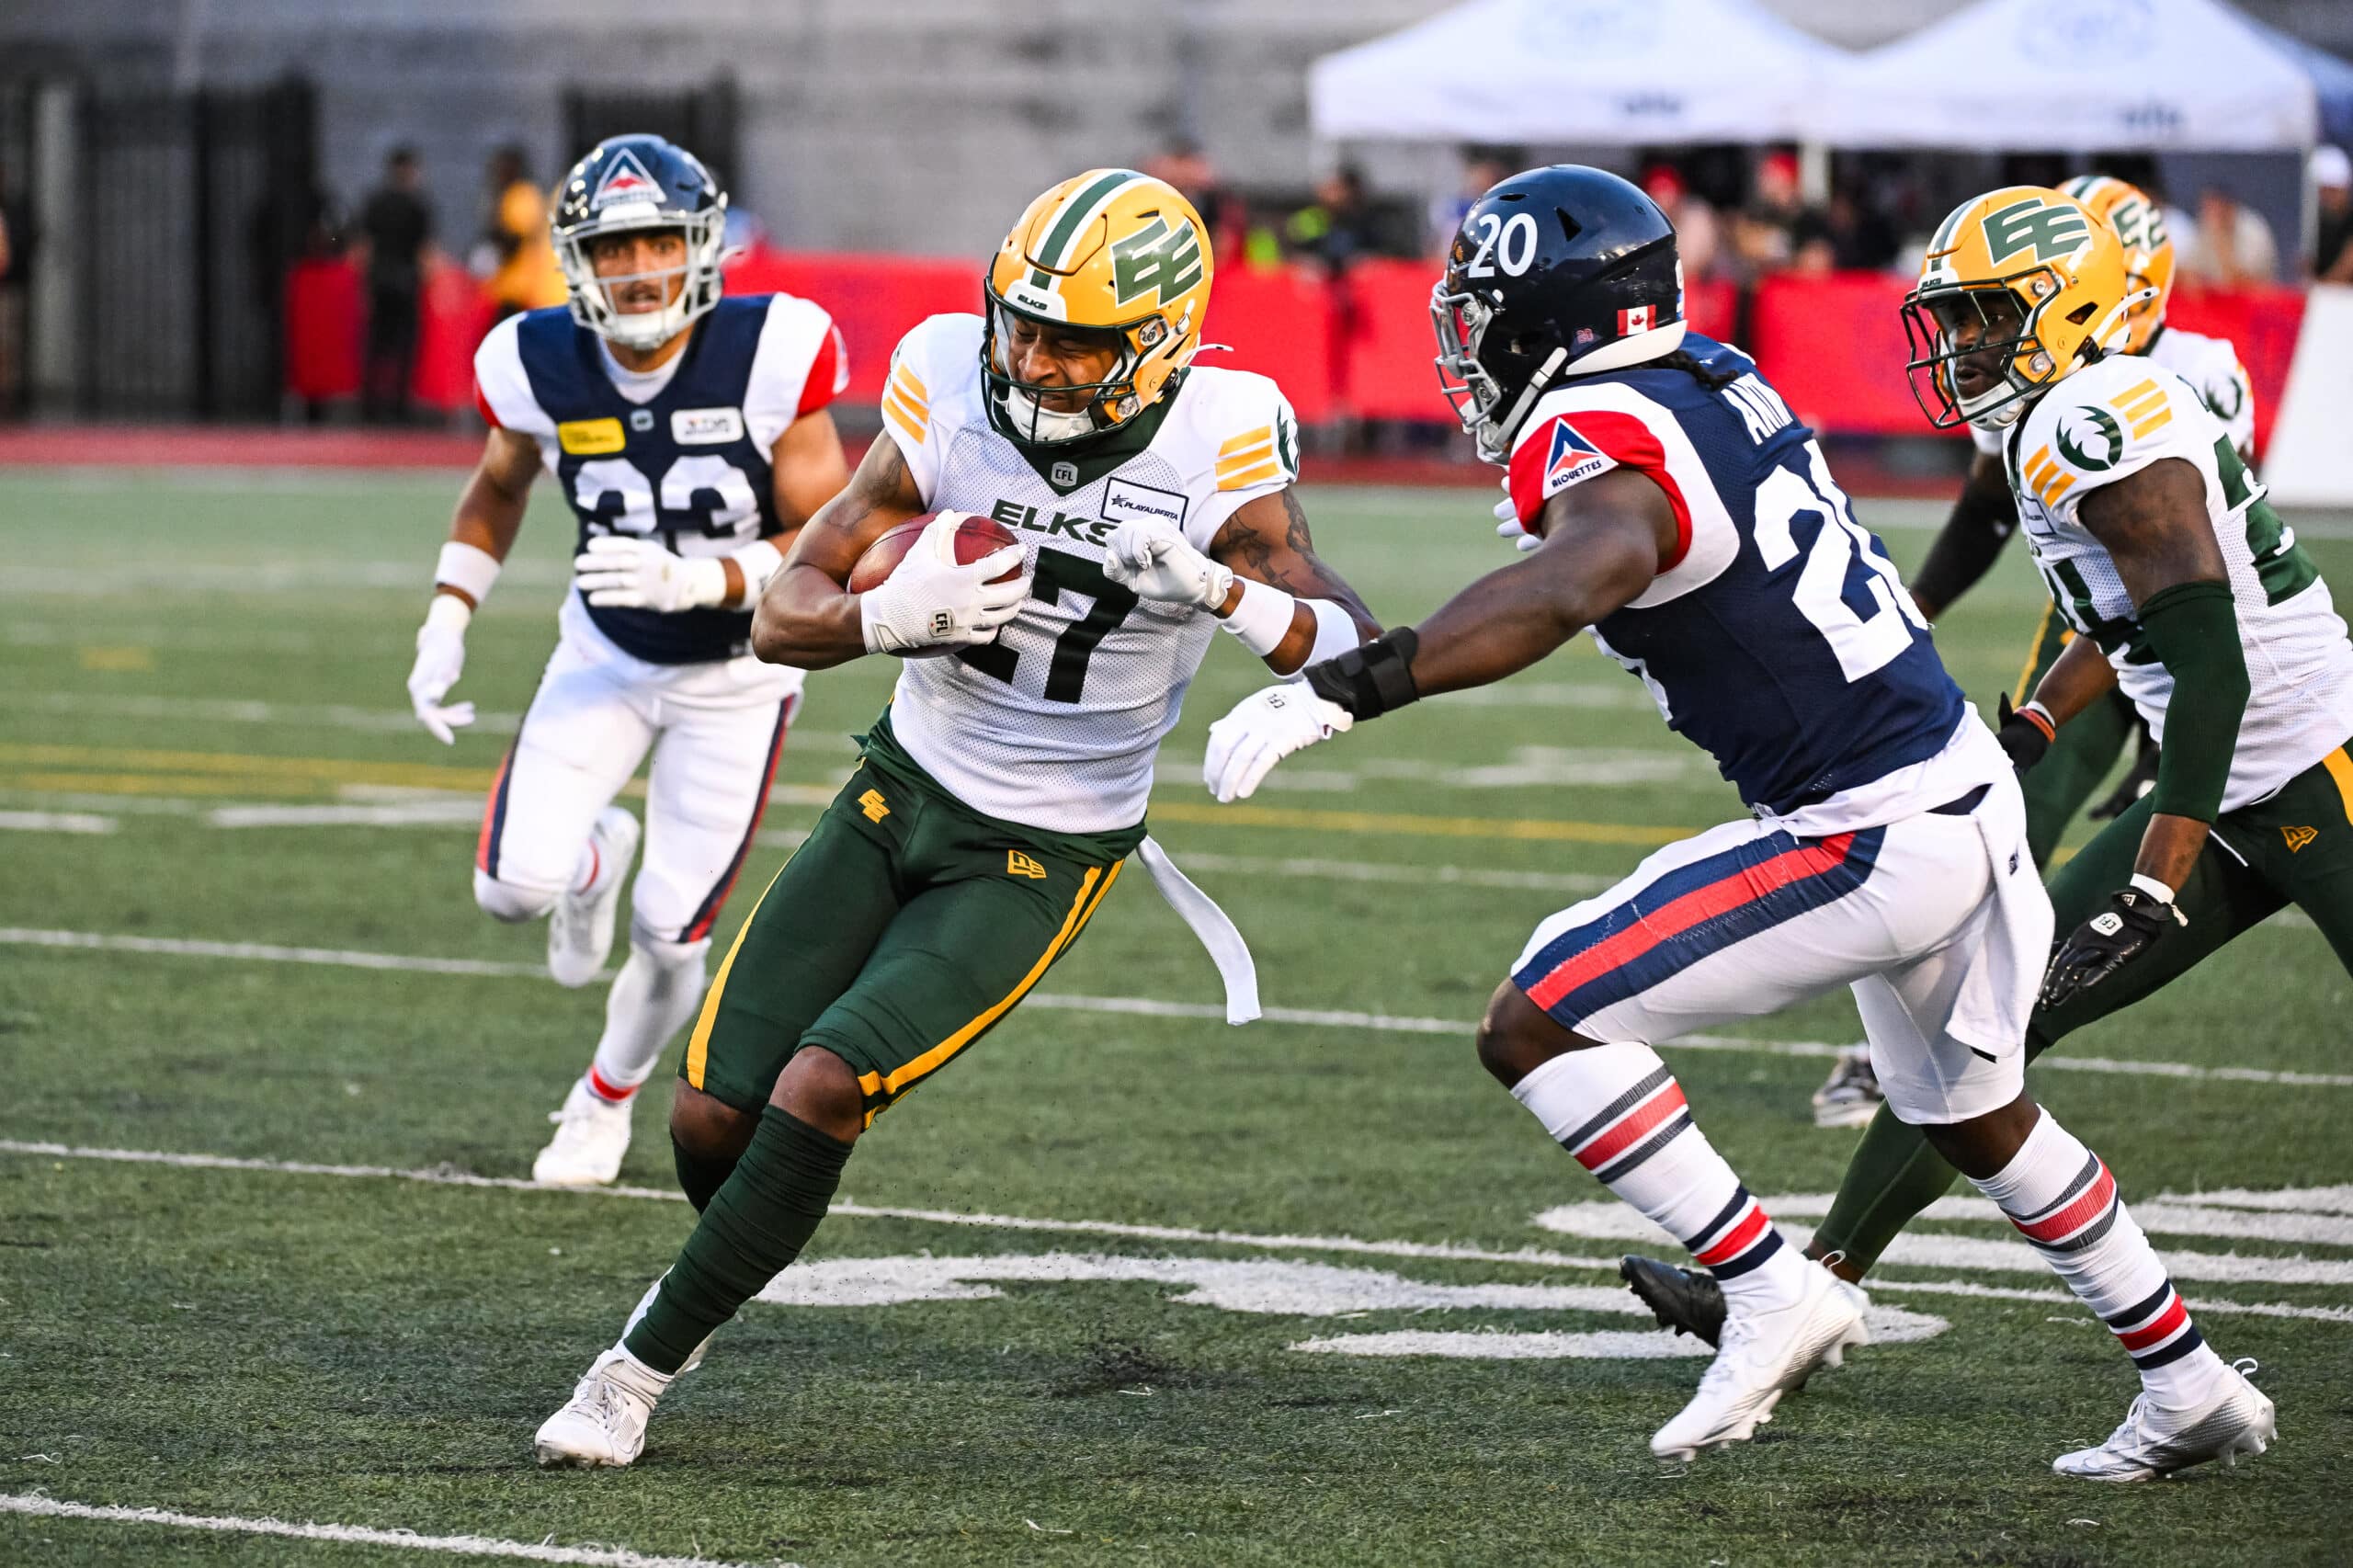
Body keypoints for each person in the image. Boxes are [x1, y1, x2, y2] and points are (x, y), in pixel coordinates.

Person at [1198, 165, 2271, 1478]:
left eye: (1489, 312)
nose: (1470, 343)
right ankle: (2190, 1377)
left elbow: (1581, 577)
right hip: (1958, 788)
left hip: (1870, 823)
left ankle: (1770, 1285)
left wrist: (1356, 689)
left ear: (1554, 313)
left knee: (1538, 1015)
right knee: (1978, 1114)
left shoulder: (1597, 422)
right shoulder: (1704, 370)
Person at [531, 167, 1380, 1467]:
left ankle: (636, 1363)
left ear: (1157, 340)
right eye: (1019, 323)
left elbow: (1349, 636)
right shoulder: (945, 376)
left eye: (1070, 339)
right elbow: (783, 602)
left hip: (1046, 842)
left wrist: (1223, 588)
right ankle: (734, 1264)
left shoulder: (1219, 433)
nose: (1029, 358)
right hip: (899, 786)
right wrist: (885, 617)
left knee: (822, 1086)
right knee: (711, 1115)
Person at [1619, 184, 2311, 1481]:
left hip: (2311, 772)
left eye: (1993, 315)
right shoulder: (2070, 411)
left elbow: (2209, 669)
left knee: (1993, 1024)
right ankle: (1822, 1286)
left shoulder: (2108, 414)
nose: (1964, 344)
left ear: (2084, 306)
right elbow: (2127, 623)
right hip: (2249, 782)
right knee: (1988, 1034)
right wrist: (2041, 721)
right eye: (1963, 317)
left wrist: (2159, 868)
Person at [404, 135, 852, 1187]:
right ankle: (592, 855)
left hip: (739, 677)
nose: (641, 267)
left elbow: (836, 533)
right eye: (615, 247)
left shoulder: (770, 350)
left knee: (670, 933)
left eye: (659, 241)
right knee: (513, 889)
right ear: (577, 260)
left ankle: (602, 1099)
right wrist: (448, 614)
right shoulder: (535, 358)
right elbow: (499, 484)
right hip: (605, 650)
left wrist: (714, 580)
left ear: (700, 246)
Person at [1809, 173, 2259, 1130]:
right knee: (2009, 813)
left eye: (1997, 311)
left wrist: (2160, 711)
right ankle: (1931, 1044)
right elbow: (1985, 503)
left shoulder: (2190, 373)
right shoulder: (2024, 378)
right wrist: (1918, 602)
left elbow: (2212, 577)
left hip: (2196, 624)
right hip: (2095, 623)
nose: (1975, 337)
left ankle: (1980, 1042)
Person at [357, 148, 435, 423]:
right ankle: (399, 405)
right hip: (405, 281)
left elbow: (364, 247)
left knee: (377, 345)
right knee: (404, 346)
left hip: (380, 280)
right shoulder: (417, 205)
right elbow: (424, 251)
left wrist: (364, 283)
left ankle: (371, 404)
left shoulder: (376, 202)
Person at [483, 145, 567, 317]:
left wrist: (494, 238)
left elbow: (515, 239)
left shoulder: (522, 194)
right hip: (516, 287)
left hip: (520, 286)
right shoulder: (516, 193)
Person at [2312, 145, 2353, 283]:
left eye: (2333, 191)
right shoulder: (2310, 226)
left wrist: (2321, 286)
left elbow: (2346, 270)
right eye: (2322, 191)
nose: (2327, 197)